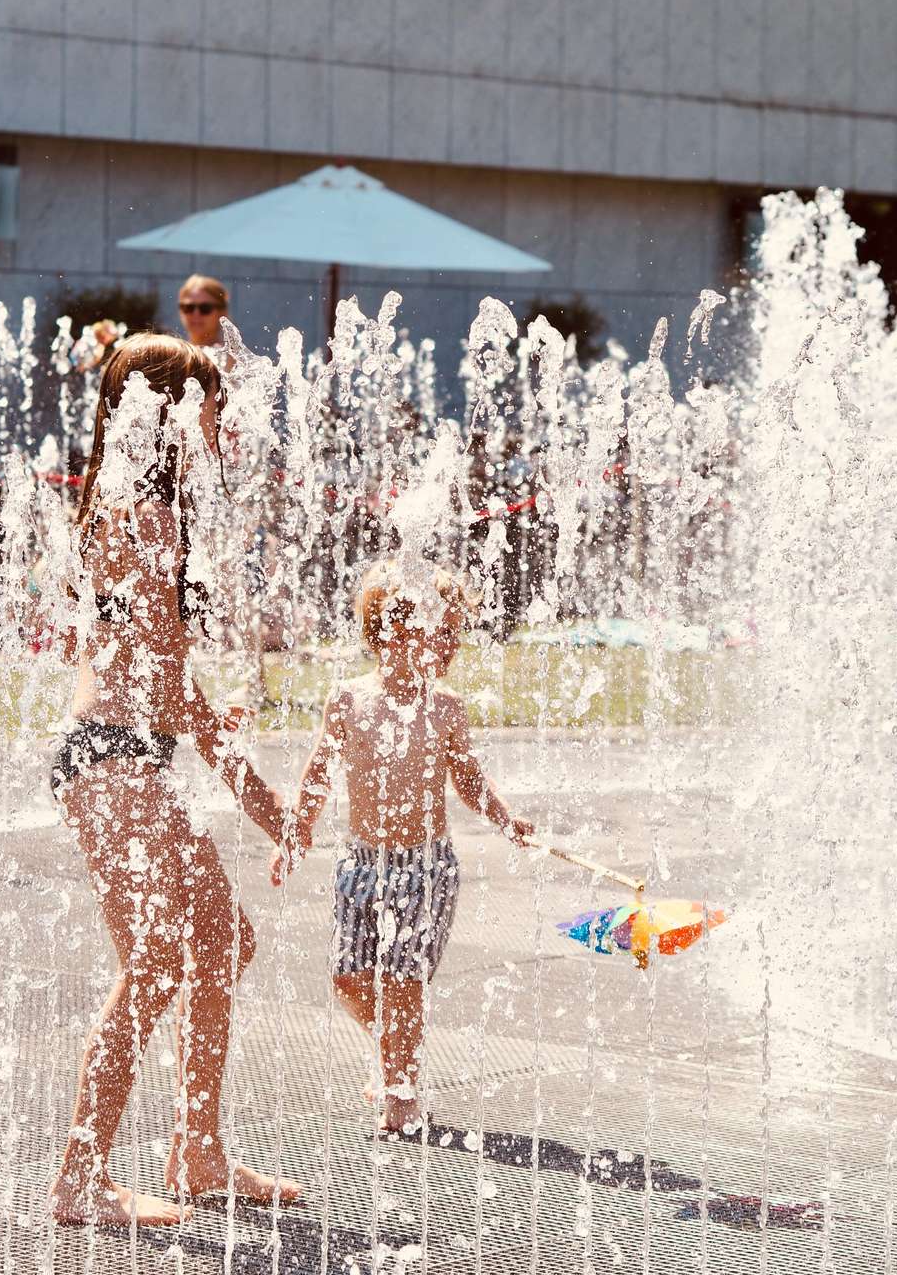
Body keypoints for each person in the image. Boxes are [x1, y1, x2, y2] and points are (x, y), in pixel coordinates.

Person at [47, 333, 301, 1229]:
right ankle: (82, 1178)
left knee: (221, 943)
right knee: (155, 963)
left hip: (120, 757)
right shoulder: (141, 517)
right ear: (163, 416)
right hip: (113, 756)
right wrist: (256, 793)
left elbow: (165, 678)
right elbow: (162, 682)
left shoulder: (129, 509)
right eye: (206, 406)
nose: (220, 422)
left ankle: (198, 1152)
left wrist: (233, 766)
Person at [270, 562, 534, 1137]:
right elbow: (319, 772)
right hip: (360, 864)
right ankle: (393, 1053)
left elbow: (467, 780)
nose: (451, 643)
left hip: (424, 868)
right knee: (348, 978)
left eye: (454, 631)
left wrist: (505, 818)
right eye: (439, 629)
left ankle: (401, 1087)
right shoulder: (347, 700)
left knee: (402, 981)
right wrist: (295, 832)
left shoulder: (446, 707)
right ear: (390, 631)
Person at [177, 274, 230, 357]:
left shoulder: (232, 360)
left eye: (205, 308)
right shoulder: (175, 355)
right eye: (188, 307)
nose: (196, 314)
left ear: (222, 312)